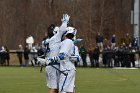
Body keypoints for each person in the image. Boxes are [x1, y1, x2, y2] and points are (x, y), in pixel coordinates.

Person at [36, 14, 70, 93]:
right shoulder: (56, 38)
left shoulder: (49, 40)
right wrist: (65, 22)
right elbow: (62, 29)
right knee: (54, 88)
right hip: (53, 65)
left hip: (49, 66)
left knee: (54, 88)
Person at [58, 26, 77, 93]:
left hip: (66, 70)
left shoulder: (67, 41)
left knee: (62, 90)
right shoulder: (69, 42)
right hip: (70, 69)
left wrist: (51, 59)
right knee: (70, 91)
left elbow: (62, 55)